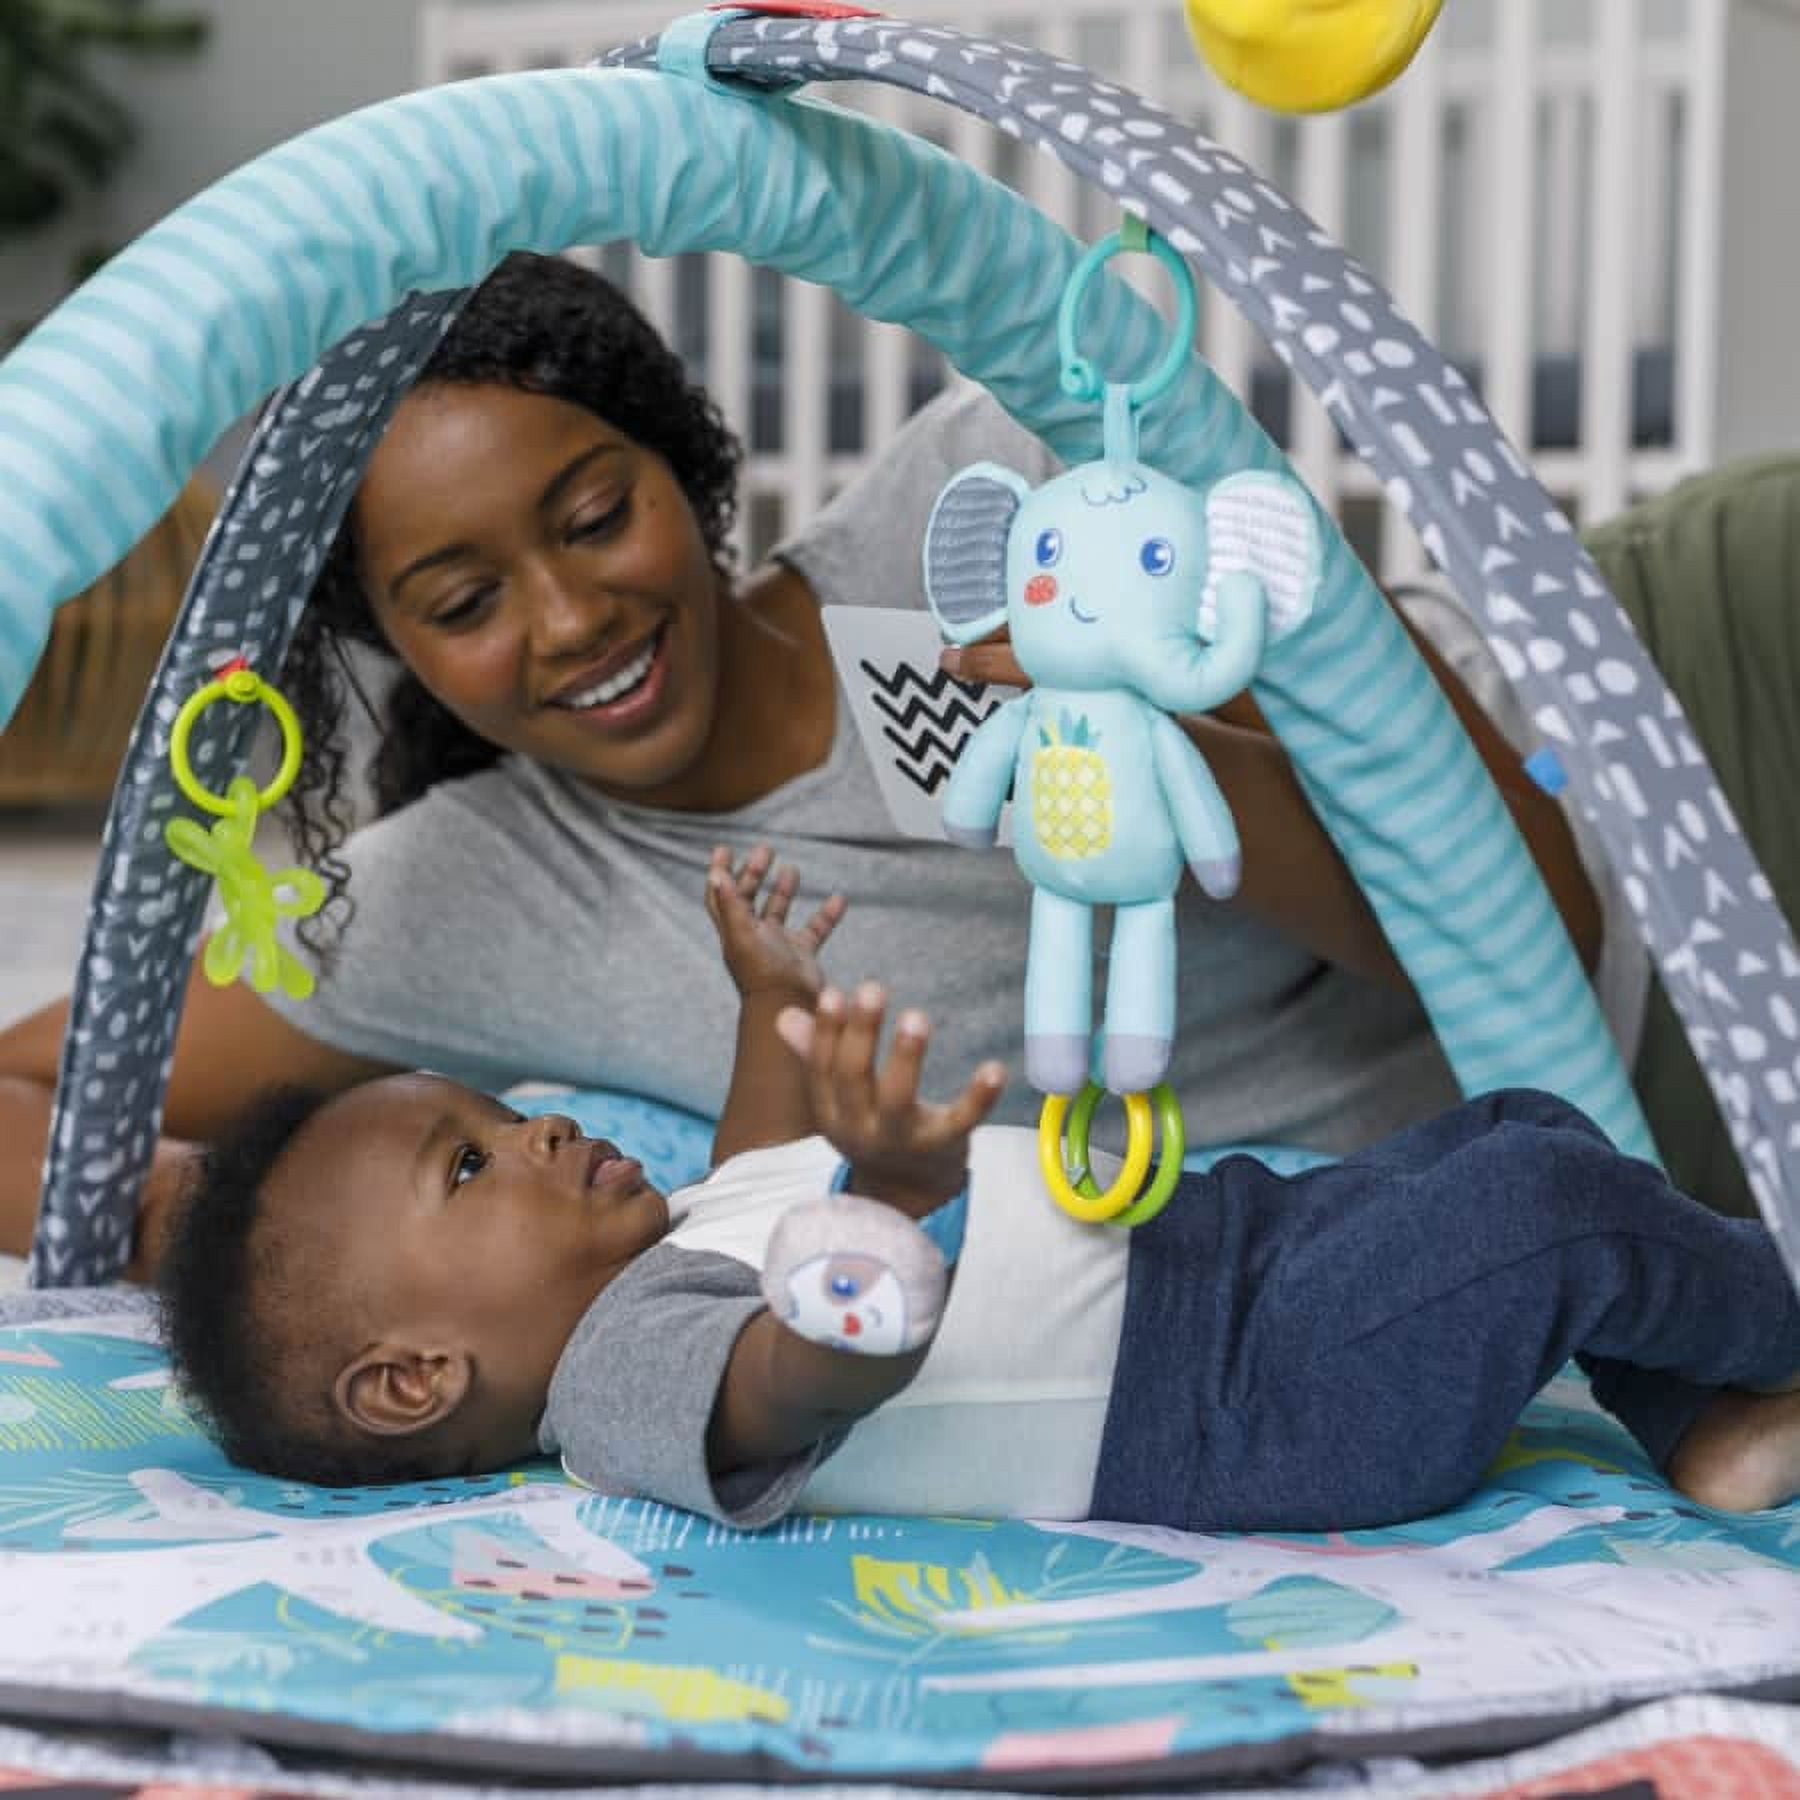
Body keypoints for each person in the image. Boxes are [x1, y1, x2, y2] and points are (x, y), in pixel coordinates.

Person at [0, 249, 1617, 1279]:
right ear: (393, 647)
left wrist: (1136, 742)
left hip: (1629, 725)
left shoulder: (1005, 491)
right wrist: (227, 1236)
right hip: (1551, 1176)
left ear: (683, 466)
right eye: (466, 603)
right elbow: (31, 1083)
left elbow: (1540, 917)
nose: (570, 619)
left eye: (595, 517)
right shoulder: (458, 897)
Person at [156, 846, 1800, 1531]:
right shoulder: (620, 1388)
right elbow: (807, 1373)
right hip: (1241, 1399)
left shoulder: (682, 1241)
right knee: (1545, 1214)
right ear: (414, 1379)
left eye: (500, 1116)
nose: (532, 1132)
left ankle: (1708, 1422)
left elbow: (754, 1159)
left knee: (1518, 1129)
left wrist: (762, 996)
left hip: (1233, 1257)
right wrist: (885, 1197)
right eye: (468, 1162)